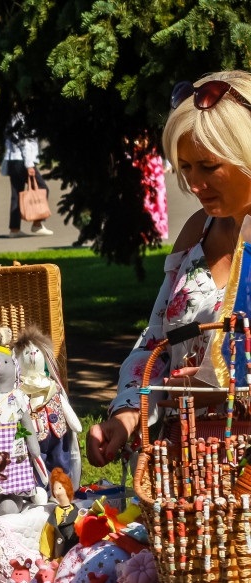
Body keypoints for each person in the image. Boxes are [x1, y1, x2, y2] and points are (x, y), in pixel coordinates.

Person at [87, 70, 251, 467]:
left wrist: (220, 386)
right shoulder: (198, 229)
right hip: (184, 466)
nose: (194, 184)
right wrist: (128, 413)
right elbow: (156, 342)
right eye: (186, 167)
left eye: (208, 166)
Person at [2, 111, 52, 237]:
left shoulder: (12, 117)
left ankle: (14, 229)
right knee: (43, 188)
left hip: (12, 159)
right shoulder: (24, 118)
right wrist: (29, 164)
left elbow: (10, 138)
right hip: (23, 160)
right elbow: (25, 142)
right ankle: (37, 225)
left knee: (16, 194)